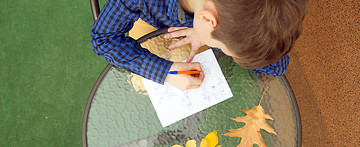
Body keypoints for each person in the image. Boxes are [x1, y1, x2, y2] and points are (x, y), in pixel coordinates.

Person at [90, 0, 308, 91]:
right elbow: (103, 39)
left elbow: (277, 66)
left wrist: (203, 32)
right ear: (207, 19)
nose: (221, 50)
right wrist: (166, 73)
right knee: (141, 87)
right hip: (151, 23)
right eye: (222, 47)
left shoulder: (211, 19)